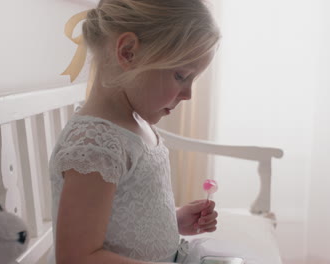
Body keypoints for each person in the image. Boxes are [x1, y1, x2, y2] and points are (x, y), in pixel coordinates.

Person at [49, 0, 221, 263]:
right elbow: (77, 256)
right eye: (181, 76)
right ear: (128, 52)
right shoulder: (94, 145)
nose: (188, 95)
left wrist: (174, 220)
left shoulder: (136, 125)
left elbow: (124, 219)